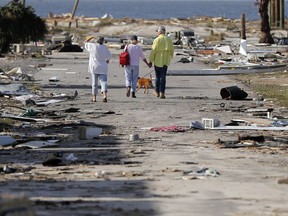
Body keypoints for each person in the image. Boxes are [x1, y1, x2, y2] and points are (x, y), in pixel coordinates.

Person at [84, 35, 112, 102]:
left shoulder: (93, 46)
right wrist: (107, 60)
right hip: (103, 67)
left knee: (94, 83)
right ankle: (104, 95)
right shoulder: (104, 47)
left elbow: (85, 42)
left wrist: (91, 37)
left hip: (94, 67)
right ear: (103, 41)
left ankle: (94, 98)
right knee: (103, 82)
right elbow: (109, 56)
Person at [149, 26, 174, 99]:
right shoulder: (168, 39)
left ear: (159, 32)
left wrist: (151, 61)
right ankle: (162, 93)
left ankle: (156, 92)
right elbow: (172, 50)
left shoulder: (157, 40)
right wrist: (170, 57)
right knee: (163, 77)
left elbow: (153, 51)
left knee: (157, 77)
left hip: (157, 61)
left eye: (157, 31)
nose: (157, 33)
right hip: (165, 61)